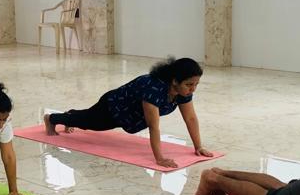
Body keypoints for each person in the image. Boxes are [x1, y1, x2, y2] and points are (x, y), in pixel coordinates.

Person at [43, 57, 213, 168]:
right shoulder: (153, 88)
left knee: (84, 118)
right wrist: (159, 158)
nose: (193, 89)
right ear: (175, 80)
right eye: (189, 84)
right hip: (113, 107)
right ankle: (52, 119)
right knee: (88, 123)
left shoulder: (182, 92)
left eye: (196, 84)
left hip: (128, 116)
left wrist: (198, 147)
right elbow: (154, 126)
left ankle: (71, 116)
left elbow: (190, 118)